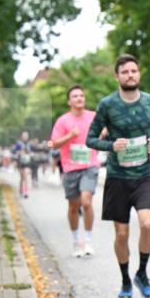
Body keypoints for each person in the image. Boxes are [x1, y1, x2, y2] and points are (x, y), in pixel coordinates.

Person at [86, 55, 150, 298]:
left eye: (134, 71)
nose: (130, 75)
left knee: (148, 224)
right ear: (117, 77)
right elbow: (91, 138)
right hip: (118, 177)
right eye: (125, 72)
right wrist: (110, 145)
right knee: (121, 234)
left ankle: (142, 272)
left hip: (144, 175)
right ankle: (126, 279)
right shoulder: (107, 104)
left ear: (139, 74)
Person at [48, 85, 101, 257]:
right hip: (70, 168)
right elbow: (53, 143)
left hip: (89, 165)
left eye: (81, 95)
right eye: (75, 96)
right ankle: (75, 240)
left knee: (86, 201)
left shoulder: (93, 116)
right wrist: (70, 136)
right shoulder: (63, 121)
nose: (79, 98)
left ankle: (88, 240)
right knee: (73, 206)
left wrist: (100, 136)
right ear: (69, 101)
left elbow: (106, 128)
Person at [12, 131, 37, 198]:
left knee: (25, 177)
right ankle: (20, 190)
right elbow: (14, 152)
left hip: (27, 163)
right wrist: (20, 152)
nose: (25, 137)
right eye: (24, 136)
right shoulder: (18, 144)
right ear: (21, 137)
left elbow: (34, 152)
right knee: (22, 178)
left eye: (26, 136)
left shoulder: (30, 144)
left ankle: (25, 192)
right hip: (20, 162)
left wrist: (31, 154)